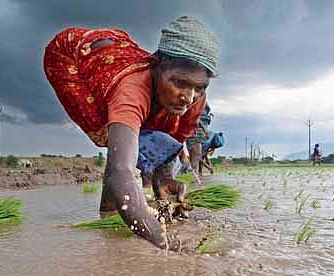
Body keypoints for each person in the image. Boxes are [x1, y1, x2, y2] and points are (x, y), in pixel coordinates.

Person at [43, 16, 219, 249]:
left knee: (153, 129)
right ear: (156, 67)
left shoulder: (195, 96)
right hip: (69, 55)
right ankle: (109, 212)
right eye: (179, 83)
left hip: (116, 48)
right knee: (115, 135)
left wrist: (163, 178)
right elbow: (120, 169)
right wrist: (152, 230)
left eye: (199, 87)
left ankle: (115, 210)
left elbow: (169, 143)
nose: (188, 97)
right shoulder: (131, 92)